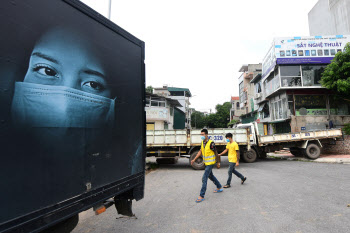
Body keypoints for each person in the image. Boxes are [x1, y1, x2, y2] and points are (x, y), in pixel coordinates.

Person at [191, 129, 223, 203]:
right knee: (210, 176)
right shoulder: (202, 142)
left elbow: (216, 152)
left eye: (203, 134)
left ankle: (201, 196)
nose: (201, 136)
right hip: (206, 163)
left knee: (204, 178)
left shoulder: (211, 143)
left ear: (206, 135)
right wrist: (194, 159)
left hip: (211, 163)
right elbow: (200, 151)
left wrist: (218, 162)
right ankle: (219, 187)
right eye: (201, 134)